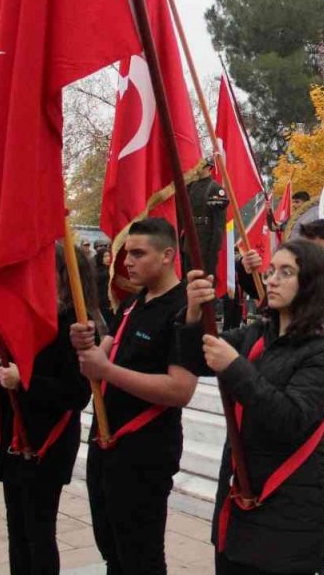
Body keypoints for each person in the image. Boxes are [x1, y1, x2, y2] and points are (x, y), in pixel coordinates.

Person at [179, 239, 324, 575]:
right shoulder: (258, 334)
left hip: (289, 513)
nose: (271, 279)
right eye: (271, 270)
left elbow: (290, 419)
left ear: (312, 282)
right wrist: (191, 314)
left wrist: (235, 367)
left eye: (285, 272)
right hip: (240, 501)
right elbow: (193, 358)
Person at [70, 217, 197, 575]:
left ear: (167, 255)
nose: (127, 261)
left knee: (140, 557)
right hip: (107, 444)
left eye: (139, 254)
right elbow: (104, 353)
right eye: (127, 253)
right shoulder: (134, 302)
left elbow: (180, 390)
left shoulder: (184, 310)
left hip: (144, 452)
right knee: (112, 551)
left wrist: (105, 370)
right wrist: (86, 344)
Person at [0, 243, 98, 575]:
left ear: (65, 277)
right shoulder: (25, 314)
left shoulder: (77, 324)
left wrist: (24, 380)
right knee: (16, 529)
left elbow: (77, 394)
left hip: (47, 441)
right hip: (14, 440)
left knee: (38, 531)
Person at [244, 217, 324, 457]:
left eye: (312, 249)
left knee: (316, 462)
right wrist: (250, 272)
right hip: (287, 383)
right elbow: (270, 307)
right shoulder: (300, 285)